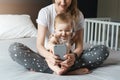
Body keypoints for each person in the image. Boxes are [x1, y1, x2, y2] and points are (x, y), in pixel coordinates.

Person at [9, 0, 109, 75]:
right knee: (14, 49)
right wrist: (50, 56)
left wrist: (73, 57)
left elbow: (79, 47)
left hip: (69, 58)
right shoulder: (45, 13)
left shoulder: (78, 15)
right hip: (48, 58)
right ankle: (69, 72)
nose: (63, 2)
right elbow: (40, 46)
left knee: (103, 50)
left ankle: (53, 70)